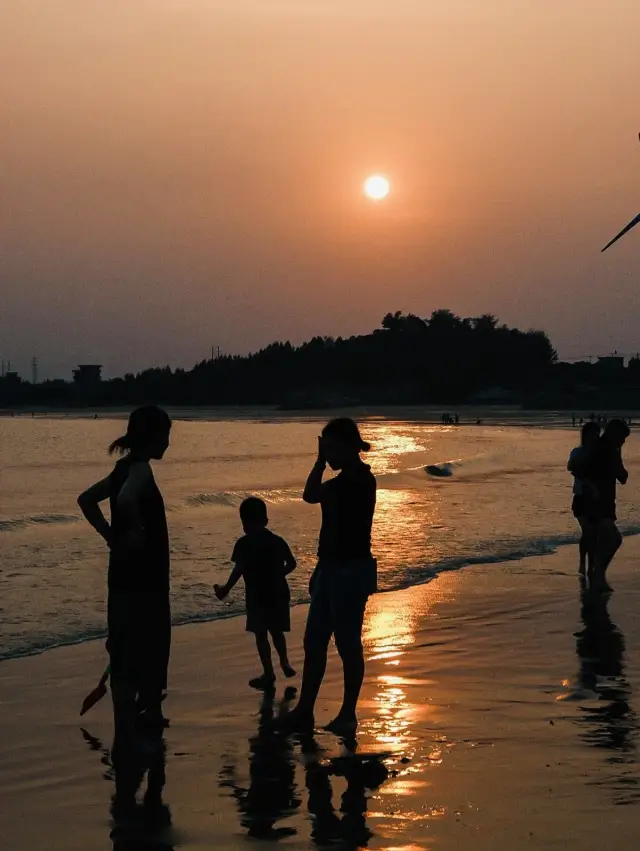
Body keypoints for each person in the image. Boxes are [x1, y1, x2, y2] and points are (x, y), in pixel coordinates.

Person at [77, 406, 172, 745]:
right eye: (167, 436)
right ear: (154, 437)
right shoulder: (141, 470)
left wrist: (110, 535)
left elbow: (86, 499)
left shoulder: (122, 469)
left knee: (124, 643)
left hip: (121, 575)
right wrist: (133, 530)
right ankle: (141, 720)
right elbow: (129, 497)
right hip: (145, 578)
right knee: (148, 644)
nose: (169, 444)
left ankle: (128, 724)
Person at [278, 418, 377, 735]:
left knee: (348, 644)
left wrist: (321, 464)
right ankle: (305, 710)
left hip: (351, 570)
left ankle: (348, 713)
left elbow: (311, 494)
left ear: (349, 447)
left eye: (333, 448)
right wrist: (321, 461)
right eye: (326, 448)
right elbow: (311, 496)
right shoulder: (345, 480)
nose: (329, 454)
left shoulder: (360, 480)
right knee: (314, 642)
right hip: (331, 567)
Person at [215, 497, 297, 690]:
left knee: (261, 635)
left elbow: (239, 570)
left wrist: (225, 589)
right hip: (278, 593)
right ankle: (285, 661)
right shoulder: (277, 541)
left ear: (244, 522)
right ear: (266, 520)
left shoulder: (244, 544)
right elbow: (292, 564)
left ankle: (269, 673)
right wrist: (277, 575)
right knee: (277, 631)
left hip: (257, 597)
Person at [579, 418, 630, 591]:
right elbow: (581, 472)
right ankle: (597, 573)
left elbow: (622, 477)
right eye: (622, 438)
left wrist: (619, 454)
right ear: (615, 435)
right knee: (614, 539)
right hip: (596, 504)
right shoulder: (601, 450)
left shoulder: (609, 450)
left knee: (604, 540)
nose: (623, 441)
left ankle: (597, 574)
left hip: (605, 503)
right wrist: (594, 489)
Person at [567, 421, 601, 575]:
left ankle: (590, 566)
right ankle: (583, 563)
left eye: (598, 434)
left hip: (595, 498)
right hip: (581, 497)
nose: (596, 437)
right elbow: (571, 468)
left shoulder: (599, 453)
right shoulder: (577, 452)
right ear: (586, 435)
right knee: (588, 532)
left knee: (592, 533)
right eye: (594, 434)